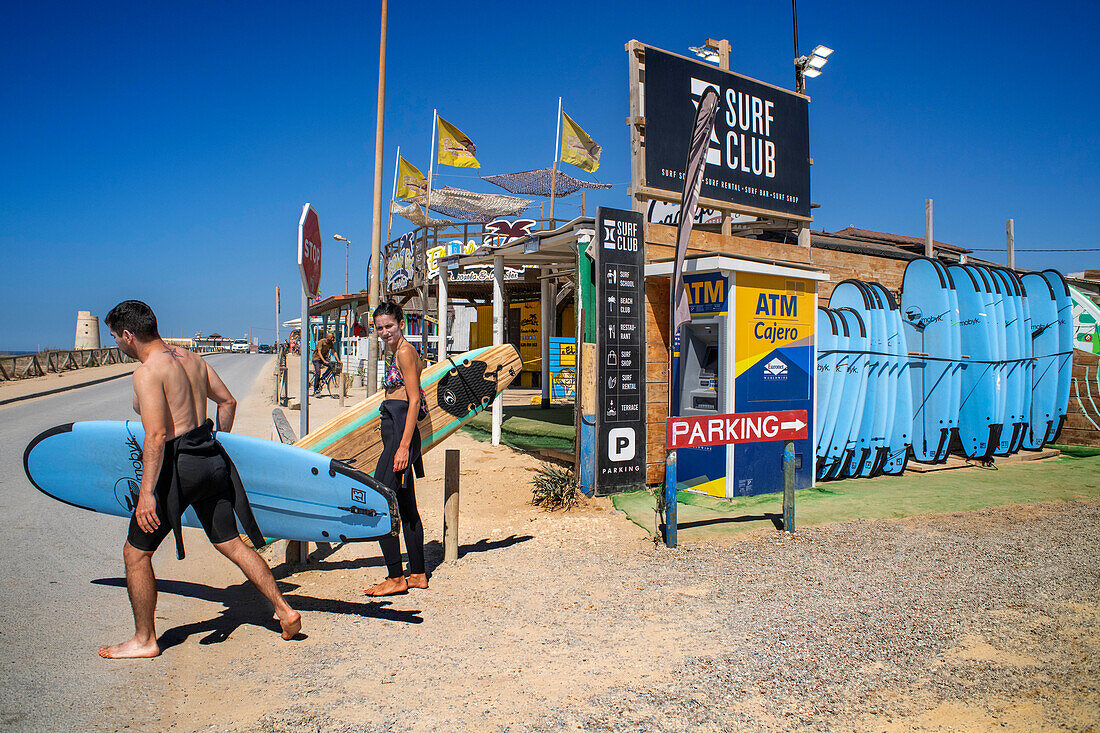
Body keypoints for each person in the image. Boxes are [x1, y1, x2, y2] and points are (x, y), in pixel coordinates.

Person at [99, 300, 301, 659]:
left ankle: (145, 639)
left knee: (135, 554)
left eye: (116, 337)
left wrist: (147, 494)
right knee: (233, 544)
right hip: (210, 459)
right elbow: (228, 402)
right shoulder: (192, 359)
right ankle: (285, 612)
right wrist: (217, 441)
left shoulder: (147, 372)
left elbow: (157, 436)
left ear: (129, 335)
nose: (116, 343)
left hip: (178, 468)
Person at [365, 301, 429, 597]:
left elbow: (414, 400)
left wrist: (403, 447)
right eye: (379, 328)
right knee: (405, 506)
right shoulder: (400, 351)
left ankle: (395, 577)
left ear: (400, 322)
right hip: (398, 430)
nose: (384, 332)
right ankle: (417, 574)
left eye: (389, 325)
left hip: (400, 434)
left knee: (379, 500)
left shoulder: (404, 351)